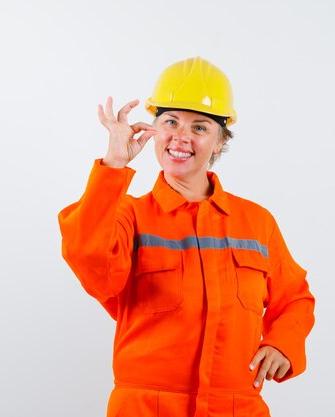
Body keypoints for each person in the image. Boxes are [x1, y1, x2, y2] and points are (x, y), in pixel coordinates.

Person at [58, 57, 315, 417]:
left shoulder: (256, 222)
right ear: (153, 130)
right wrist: (114, 165)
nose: (181, 136)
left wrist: (282, 343)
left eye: (200, 127)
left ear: (219, 142)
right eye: (170, 121)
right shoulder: (129, 215)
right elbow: (92, 267)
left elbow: (295, 298)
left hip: (236, 405)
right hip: (147, 407)